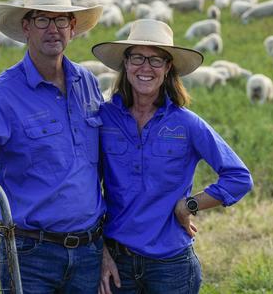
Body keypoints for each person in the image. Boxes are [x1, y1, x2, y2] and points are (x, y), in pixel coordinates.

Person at [0, 0, 106, 293]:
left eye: (61, 19)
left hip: (90, 249)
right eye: (42, 19)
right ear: (27, 27)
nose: (53, 28)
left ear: (73, 27)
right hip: (31, 253)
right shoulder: (3, 94)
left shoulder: (87, 82)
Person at [91, 19, 254, 294]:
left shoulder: (187, 124)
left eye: (156, 60)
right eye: (138, 58)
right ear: (125, 64)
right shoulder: (103, 119)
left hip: (171, 266)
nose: (146, 68)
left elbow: (239, 177)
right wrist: (100, 251)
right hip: (118, 262)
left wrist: (188, 205)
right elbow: (86, 187)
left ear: (168, 68)